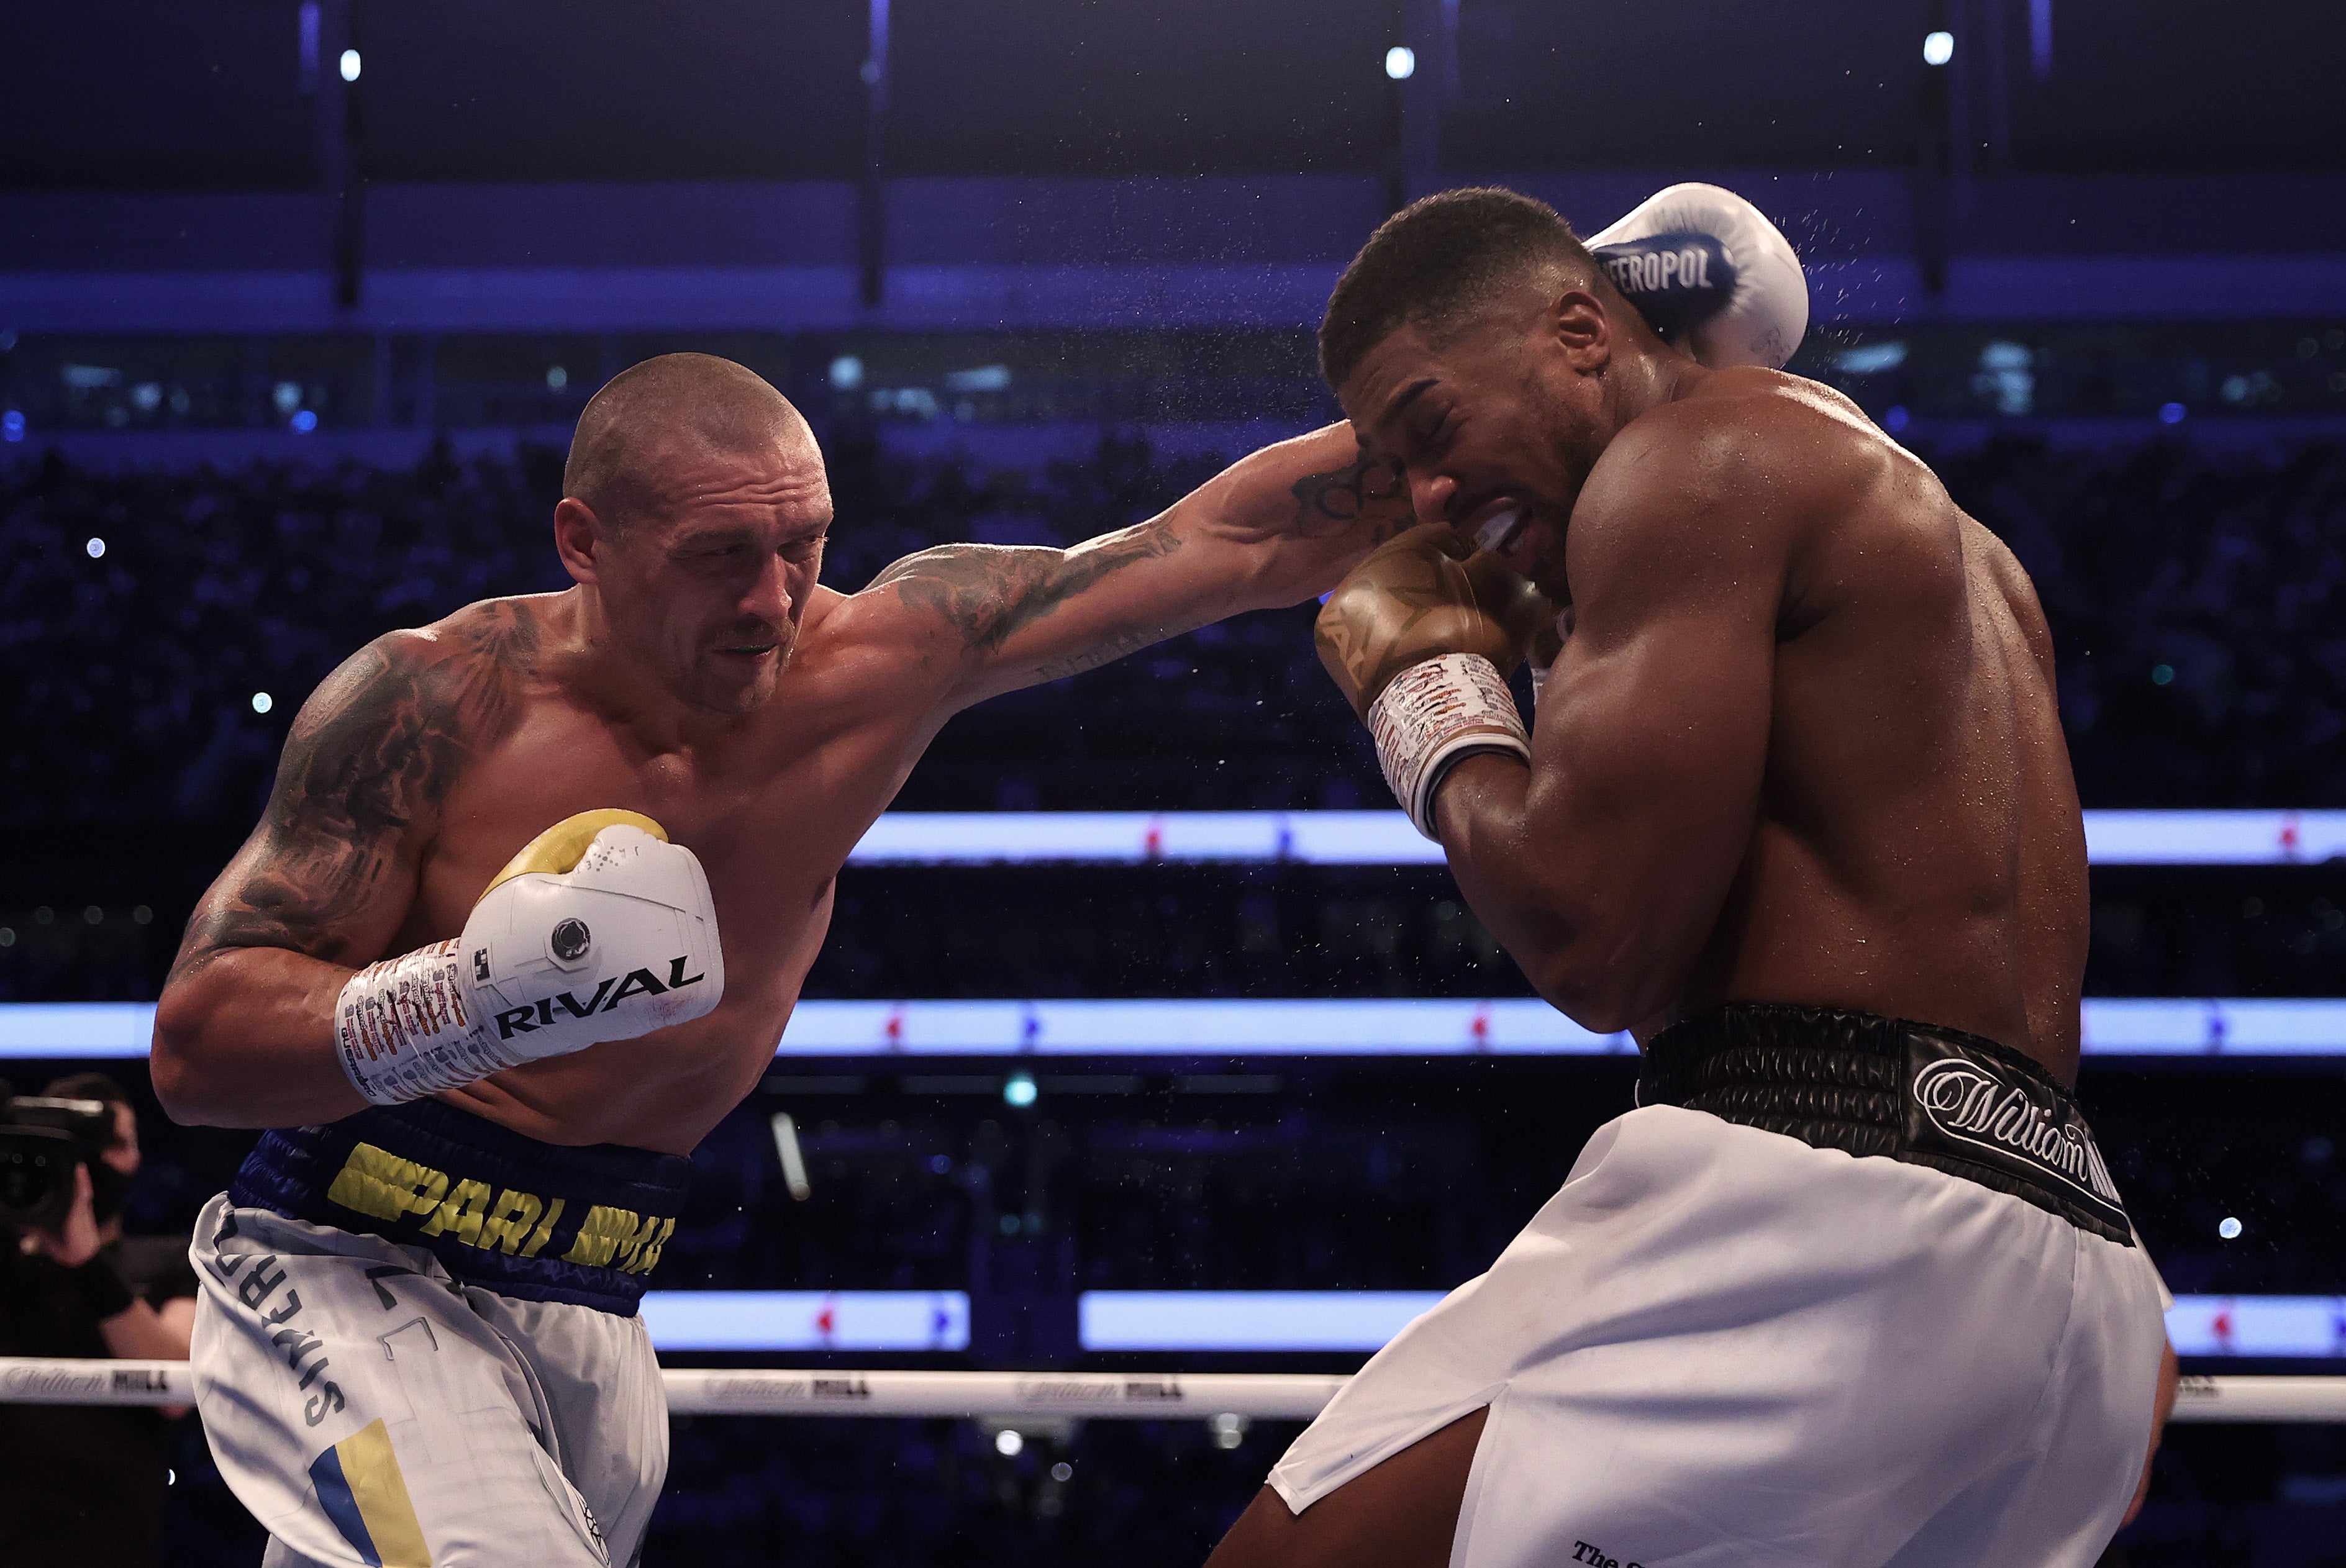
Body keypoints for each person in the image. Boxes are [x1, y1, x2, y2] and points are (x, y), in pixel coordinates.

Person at [148, 351, 1422, 1567]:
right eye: (717, 556)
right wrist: (469, 998)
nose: (773, 599)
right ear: (582, 541)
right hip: (351, 1248)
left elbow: (1230, 539)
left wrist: (1543, 332)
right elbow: (200, 1045)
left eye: (803, 543)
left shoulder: (882, 658)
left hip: (596, 1286)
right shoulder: (432, 704)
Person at [1206, 188, 2172, 1567]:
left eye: (1431, 428)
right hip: (2076, 1273)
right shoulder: (1961, 550)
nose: (1423, 493)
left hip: (1822, 1208)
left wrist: (1425, 691)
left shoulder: (1690, 458)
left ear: (1581, 330)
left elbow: (1597, 943)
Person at [0, 1073, 199, 1568]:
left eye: (112, 1142)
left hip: (111, 1542)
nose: (93, 1159)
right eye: (78, 1142)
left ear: (136, 1156)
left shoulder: (173, 1261)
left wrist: (86, 1263)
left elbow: (177, 1387)